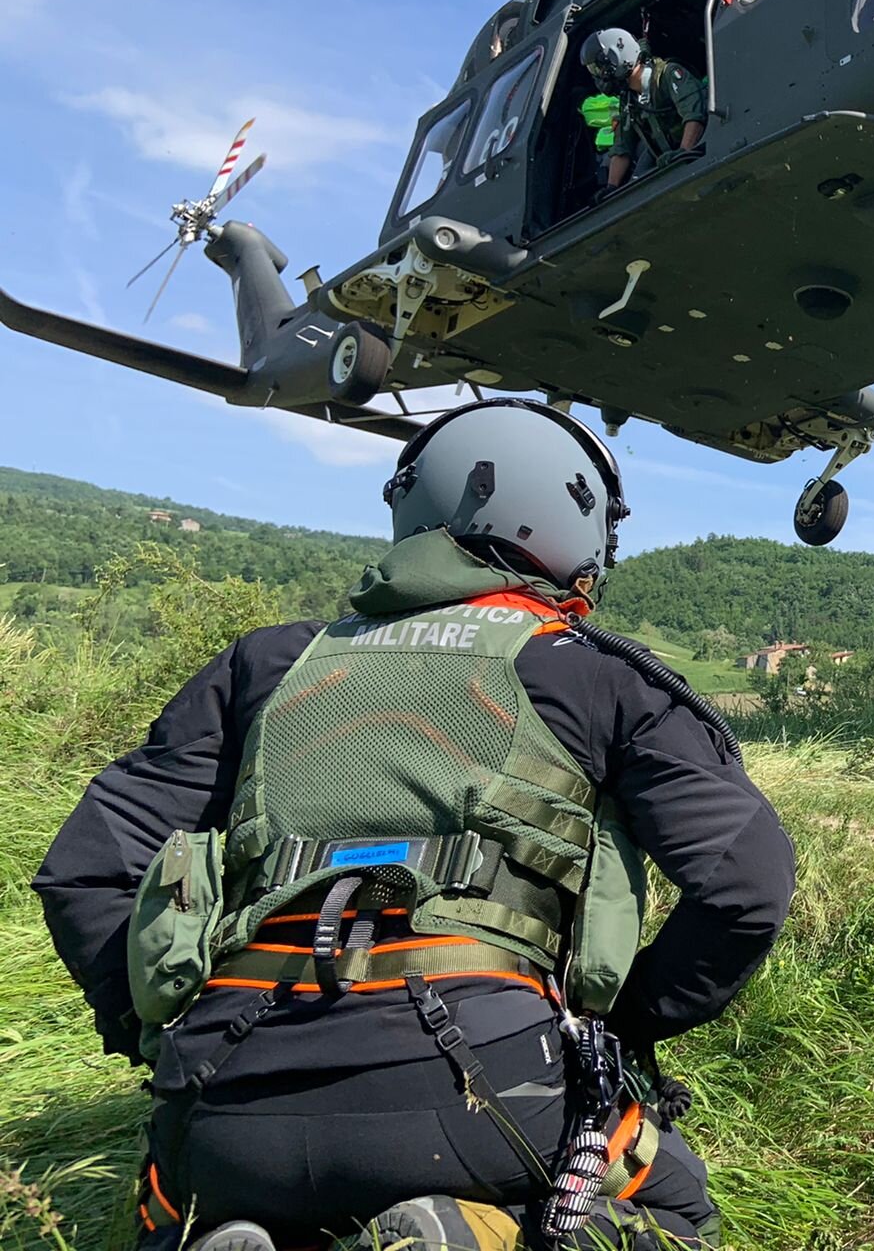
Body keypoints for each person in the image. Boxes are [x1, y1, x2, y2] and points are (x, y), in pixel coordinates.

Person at [34, 397, 796, 1250]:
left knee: (190, 1201)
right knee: (674, 1212)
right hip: (485, 1079)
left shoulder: (266, 662)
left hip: (226, 1085)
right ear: (575, 532)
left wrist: (158, 1036)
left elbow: (85, 871)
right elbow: (746, 884)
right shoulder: (602, 676)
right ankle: (470, 1235)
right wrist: (627, 1025)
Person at [580, 28, 705, 193]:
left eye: (600, 68)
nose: (600, 76)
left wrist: (683, 154)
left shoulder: (668, 74)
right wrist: (611, 188)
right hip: (672, 160)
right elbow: (622, 147)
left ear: (617, 57)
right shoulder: (629, 99)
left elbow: (695, 116)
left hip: (699, 156)